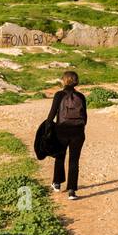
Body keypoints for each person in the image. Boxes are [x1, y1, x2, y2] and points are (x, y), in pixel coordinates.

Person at [46, 70, 87, 200]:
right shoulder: (81, 96)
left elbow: (52, 114)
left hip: (61, 131)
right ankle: (72, 191)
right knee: (74, 161)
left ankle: (57, 184)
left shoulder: (59, 95)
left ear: (64, 80)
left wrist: (47, 128)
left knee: (60, 157)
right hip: (78, 132)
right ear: (76, 81)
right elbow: (85, 117)